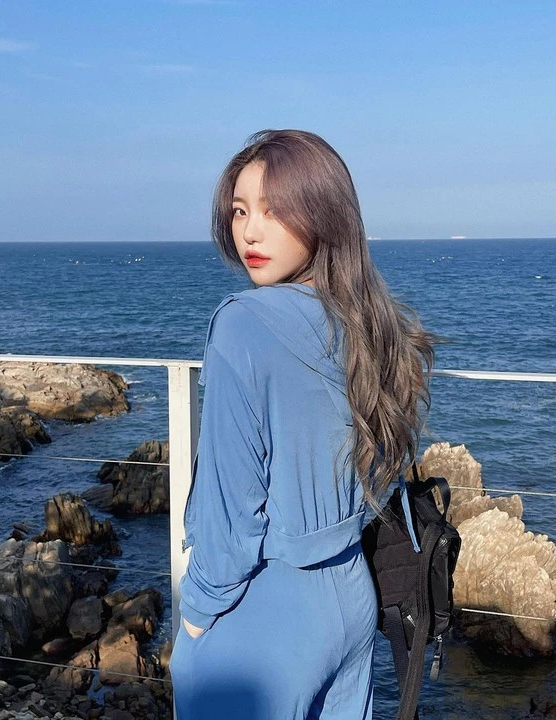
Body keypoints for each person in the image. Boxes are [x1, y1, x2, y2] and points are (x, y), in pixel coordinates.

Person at [170, 129, 434, 719]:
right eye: (240, 210)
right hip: (350, 594)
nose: (250, 232)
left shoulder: (242, 322)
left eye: (274, 210)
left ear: (324, 214)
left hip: (265, 616)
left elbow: (231, 510)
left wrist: (196, 618)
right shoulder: (365, 321)